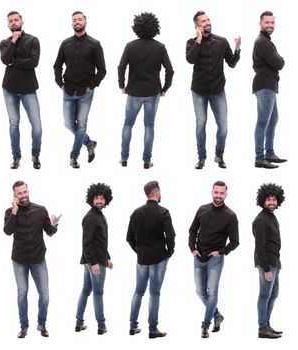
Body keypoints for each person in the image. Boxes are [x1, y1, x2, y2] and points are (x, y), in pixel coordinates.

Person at [3, 181, 61, 338]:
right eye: (19, 193)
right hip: (19, 260)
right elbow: (7, 231)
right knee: (22, 293)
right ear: (14, 196)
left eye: (25, 192)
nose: (23, 195)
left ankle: (41, 324)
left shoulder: (40, 210)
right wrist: (15, 211)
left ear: (28, 191)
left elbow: (49, 231)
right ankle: (24, 326)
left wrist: (54, 225)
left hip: (38, 259)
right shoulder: (10, 212)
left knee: (45, 295)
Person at [118, 12, 174, 169]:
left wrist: (121, 85)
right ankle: (146, 161)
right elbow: (170, 70)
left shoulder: (130, 46)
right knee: (149, 126)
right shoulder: (160, 47)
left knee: (128, 124)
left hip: (134, 92)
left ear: (137, 27)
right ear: (154, 27)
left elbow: (121, 67)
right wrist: (165, 88)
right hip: (152, 92)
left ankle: (124, 158)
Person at [186, 11, 241, 169]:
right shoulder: (191, 42)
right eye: (203, 21)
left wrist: (237, 49)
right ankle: (202, 158)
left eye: (208, 19)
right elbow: (190, 60)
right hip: (199, 91)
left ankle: (219, 155)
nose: (207, 22)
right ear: (197, 26)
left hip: (218, 91)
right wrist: (199, 39)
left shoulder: (221, 41)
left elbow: (231, 63)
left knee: (223, 126)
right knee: (201, 124)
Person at [54, 11, 106, 169]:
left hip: (85, 92)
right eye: (74, 20)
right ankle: (89, 144)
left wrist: (92, 85)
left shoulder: (94, 44)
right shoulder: (65, 43)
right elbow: (57, 65)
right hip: (68, 90)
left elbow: (102, 70)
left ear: (85, 22)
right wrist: (59, 83)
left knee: (81, 125)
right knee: (69, 125)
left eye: (80, 19)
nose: (77, 22)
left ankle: (74, 157)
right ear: (72, 23)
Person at [188, 181, 239, 338]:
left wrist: (221, 252)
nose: (218, 195)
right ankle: (217, 316)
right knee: (199, 291)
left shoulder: (230, 216)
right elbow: (192, 230)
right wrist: (193, 248)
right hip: (198, 256)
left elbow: (235, 241)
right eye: (216, 192)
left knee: (212, 292)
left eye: (221, 193)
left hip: (215, 260)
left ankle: (205, 325)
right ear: (212, 192)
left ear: (226, 194)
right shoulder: (202, 209)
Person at [126, 181, 175, 338]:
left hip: (141, 260)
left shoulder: (136, 212)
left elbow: (129, 238)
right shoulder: (163, 212)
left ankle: (132, 327)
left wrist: (139, 251)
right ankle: (152, 329)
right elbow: (171, 236)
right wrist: (169, 252)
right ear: (157, 192)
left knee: (138, 292)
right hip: (159, 258)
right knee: (154, 294)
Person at [0, 11, 42, 170]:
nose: (13, 23)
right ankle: (16, 157)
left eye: (15, 20)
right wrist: (13, 41)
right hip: (9, 88)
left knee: (36, 125)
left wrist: (14, 62)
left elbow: (33, 62)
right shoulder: (4, 42)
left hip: (28, 88)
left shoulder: (33, 40)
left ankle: (36, 155)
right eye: (10, 21)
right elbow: (5, 60)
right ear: (7, 24)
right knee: (13, 124)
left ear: (22, 21)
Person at [75, 183, 113, 335]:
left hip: (94, 260)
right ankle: (101, 326)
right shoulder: (90, 218)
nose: (99, 201)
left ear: (106, 200)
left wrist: (108, 258)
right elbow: (87, 243)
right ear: (91, 199)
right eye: (96, 198)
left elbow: (100, 241)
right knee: (98, 293)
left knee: (86, 290)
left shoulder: (99, 215)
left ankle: (78, 323)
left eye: (102, 198)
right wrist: (95, 263)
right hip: (93, 262)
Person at [253, 11, 286, 169]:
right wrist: (281, 59)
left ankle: (269, 153)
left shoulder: (266, 41)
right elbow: (279, 63)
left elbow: (275, 61)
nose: (270, 25)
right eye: (267, 23)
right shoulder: (262, 42)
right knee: (262, 122)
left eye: (272, 23)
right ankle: (259, 158)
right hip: (265, 85)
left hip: (269, 85)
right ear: (260, 23)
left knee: (273, 120)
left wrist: (278, 59)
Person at [253, 183, 285, 338]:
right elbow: (260, 247)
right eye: (268, 200)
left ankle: (267, 324)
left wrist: (278, 263)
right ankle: (262, 328)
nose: (271, 202)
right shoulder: (260, 220)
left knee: (274, 294)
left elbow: (274, 242)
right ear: (262, 201)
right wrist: (266, 269)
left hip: (274, 263)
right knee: (264, 295)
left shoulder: (271, 216)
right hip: (266, 263)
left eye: (274, 199)